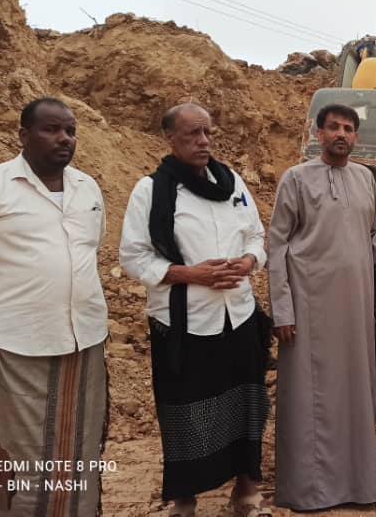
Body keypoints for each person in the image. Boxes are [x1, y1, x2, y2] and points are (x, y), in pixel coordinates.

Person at [0, 98, 108, 516]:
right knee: (10, 453)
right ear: (23, 135)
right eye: (51, 129)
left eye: (70, 131)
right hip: (15, 348)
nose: (64, 138)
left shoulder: (88, 188)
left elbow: (91, 252)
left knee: (78, 446)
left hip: (84, 343)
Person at [119, 103, 270, 517]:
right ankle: (184, 498)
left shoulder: (232, 182)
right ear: (170, 138)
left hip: (238, 314)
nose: (203, 141)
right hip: (183, 321)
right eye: (192, 134)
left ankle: (246, 489)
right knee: (186, 409)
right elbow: (133, 256)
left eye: (207, 133)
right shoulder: (152, 191)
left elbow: (256, 234)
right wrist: (190, 274)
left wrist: (249, 261)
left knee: (246, 402)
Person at [267, 103, 376, 511]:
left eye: (349, 128)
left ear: (356, 137)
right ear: (319, 134)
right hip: (307, 309)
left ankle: (358, 486)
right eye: (333, 127)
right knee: (310, 398)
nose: (341, 134)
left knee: (353, 395)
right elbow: (276, 246)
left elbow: (372, 239)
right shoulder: (296, 179)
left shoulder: (364, 178)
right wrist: (282, 310)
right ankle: (308, 492)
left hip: (354, 310)